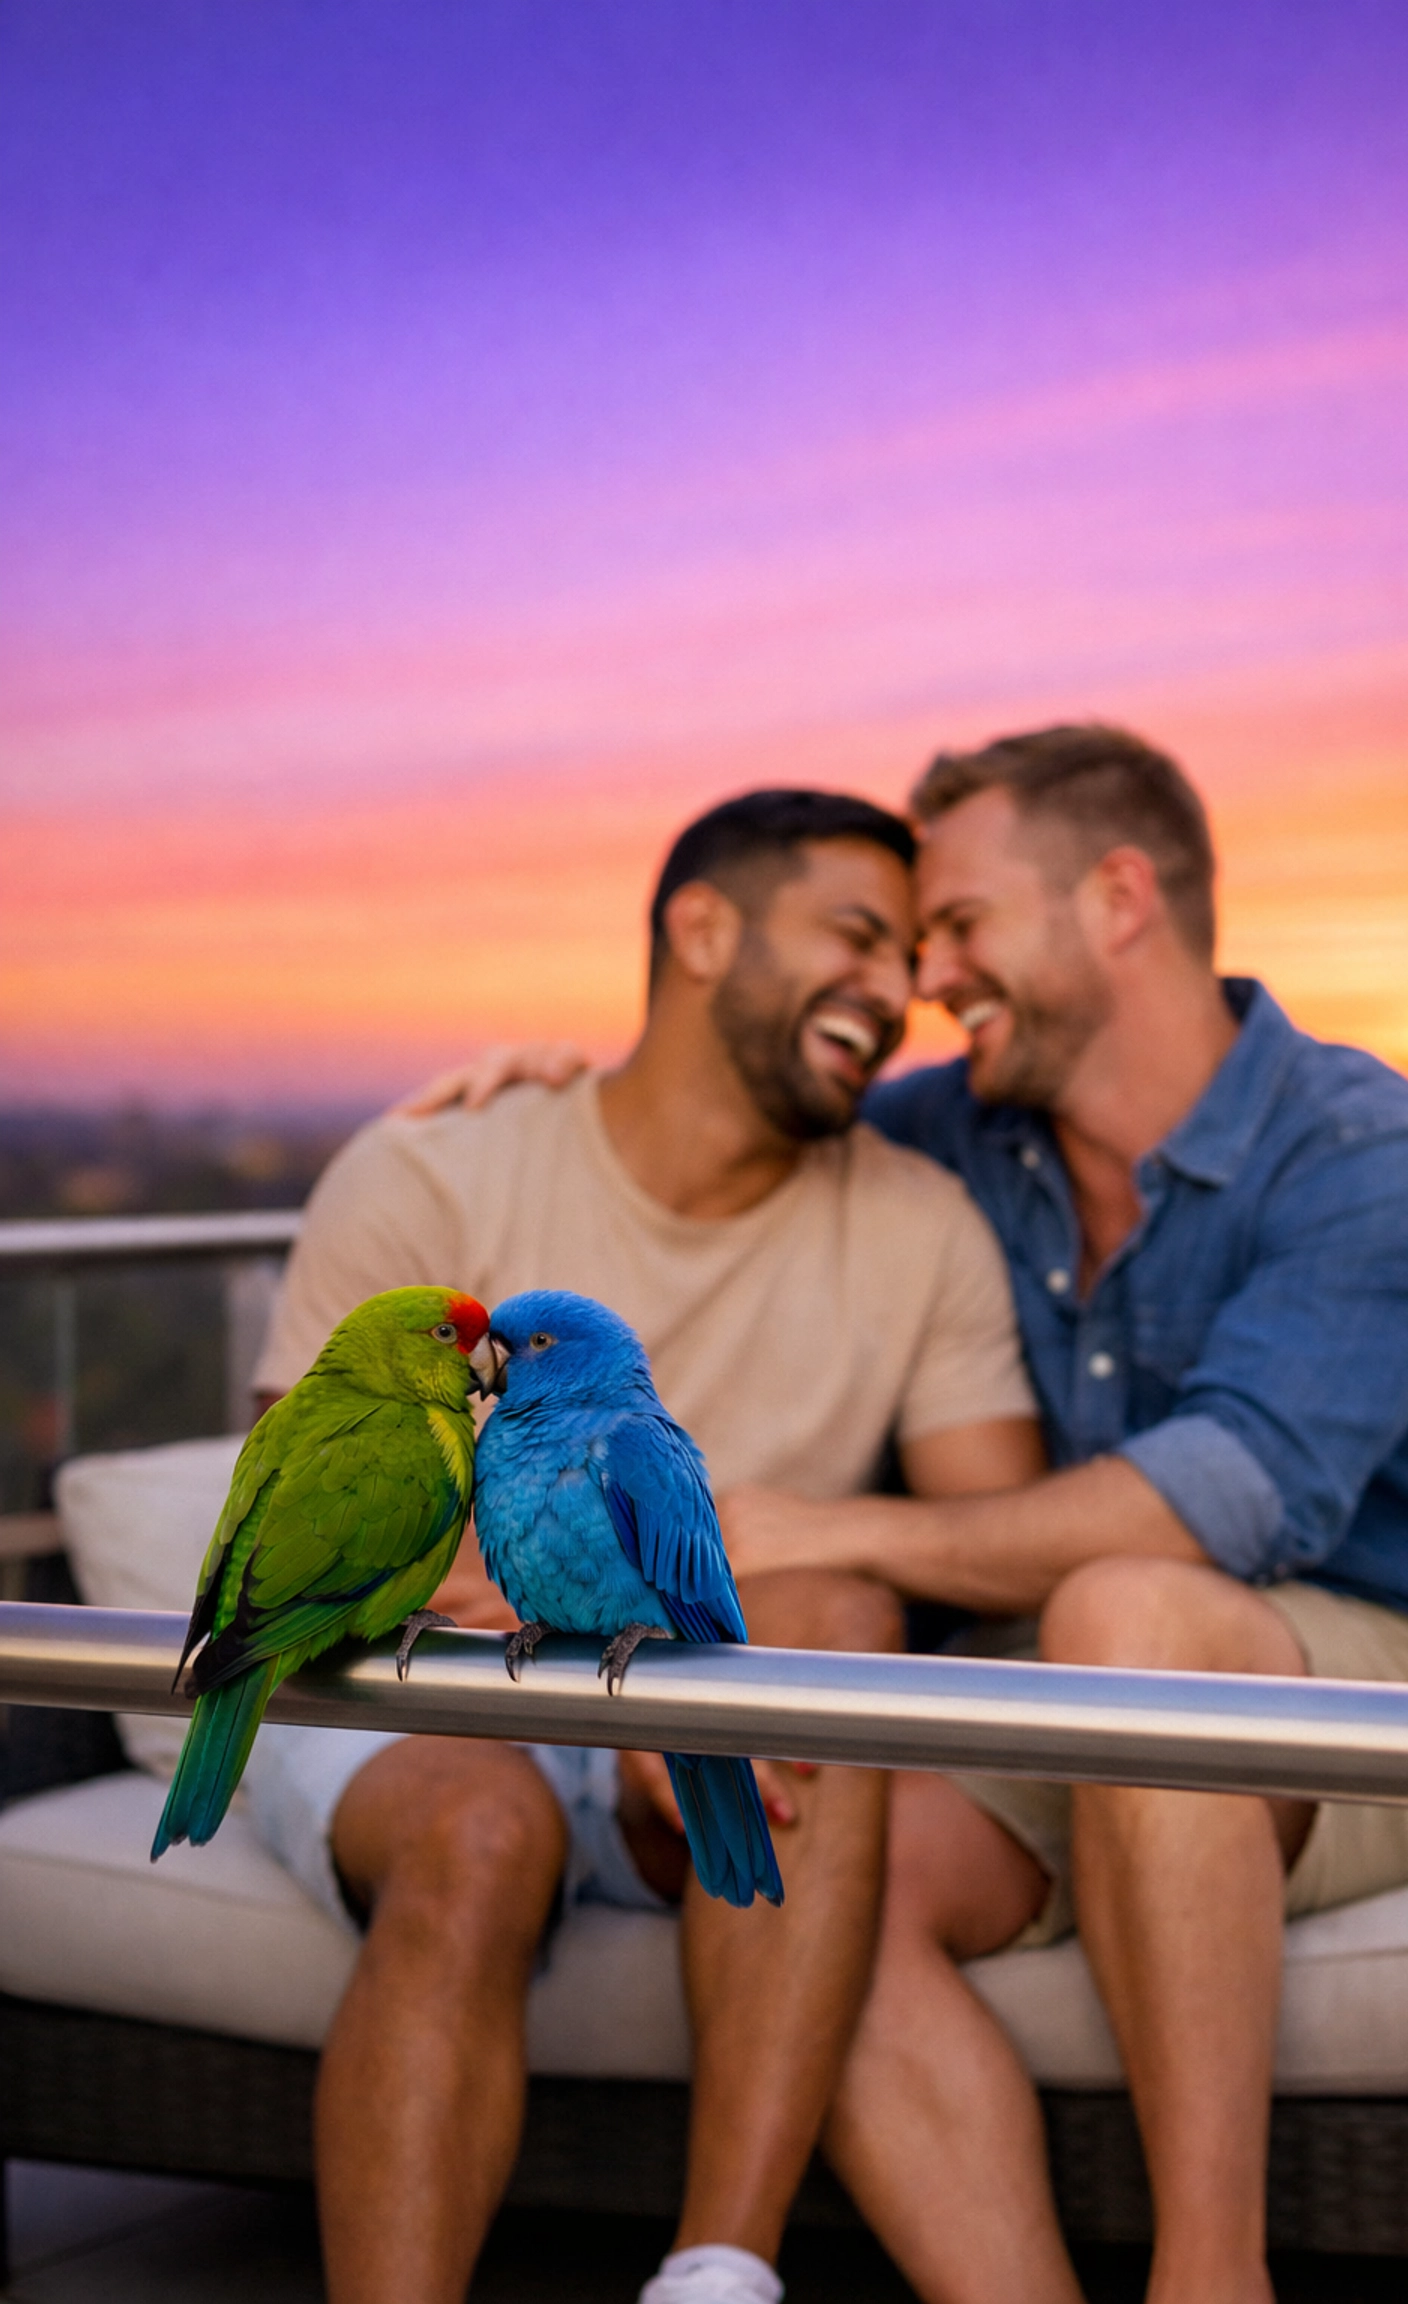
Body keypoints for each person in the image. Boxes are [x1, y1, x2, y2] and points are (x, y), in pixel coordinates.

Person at [451, 726, 1408, 2304]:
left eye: (957, 925)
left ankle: (1211, 2282)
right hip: (1093, 1681)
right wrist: (546, 1098)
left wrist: (829, 1533)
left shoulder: (1367, 1151)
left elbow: (1220, 1502)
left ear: (1116, 897)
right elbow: (722, 1105)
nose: (927, 975)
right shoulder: (955, 1132)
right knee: (832, 1861)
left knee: (1126, 1606)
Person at [245, 787, 1042, 2304]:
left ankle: (717, 2274)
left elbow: (979, 1534)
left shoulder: (923, 1219)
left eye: (918, 954)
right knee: (481, 1834)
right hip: (422, 1684)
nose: (900, 989)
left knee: (842, 1616)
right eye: (860, 936)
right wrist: (594, 1699)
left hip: (708, 1697)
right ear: (702, 930)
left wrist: (673, 1688)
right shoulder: (436, 1171)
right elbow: (318, 1522)